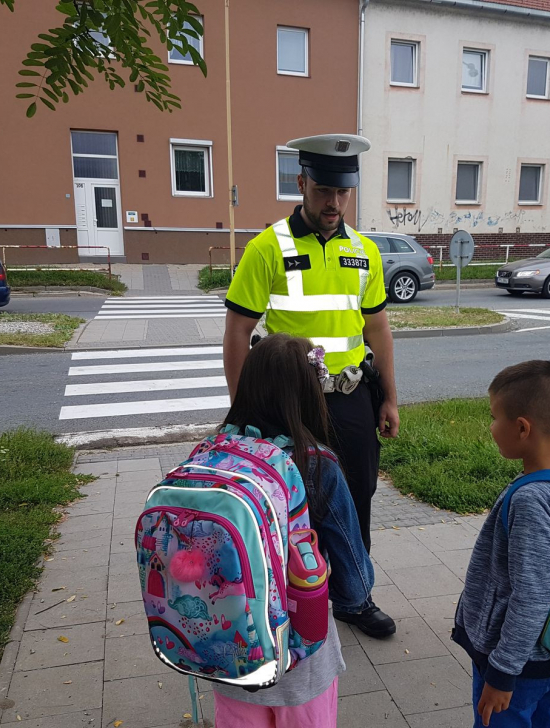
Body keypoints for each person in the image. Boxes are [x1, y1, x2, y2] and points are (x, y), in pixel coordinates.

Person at [222, 133, 398, 638]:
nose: (333, 202)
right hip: (290, 403)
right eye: (323, 190)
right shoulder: (266, 249)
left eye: (343, 193)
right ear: (301, 183)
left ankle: (354, 596)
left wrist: (388, 395)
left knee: (356, 495)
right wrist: (241, 410)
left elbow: (378, 329)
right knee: (292, 498)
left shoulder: (364, 252)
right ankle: (290, 594)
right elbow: (237, 332)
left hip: (351, 397)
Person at [212, 333, 375, 727]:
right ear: (311, 390)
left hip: (227, 652)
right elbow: (356, 586)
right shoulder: (317, 465)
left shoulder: (214, 453)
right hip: (301, 657)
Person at [452, 360, 550, 728]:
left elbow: (532, 595)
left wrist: (502, 673)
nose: (492, 427)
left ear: (522, 428)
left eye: (494, 417)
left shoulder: (533, 500)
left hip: (522, 669)